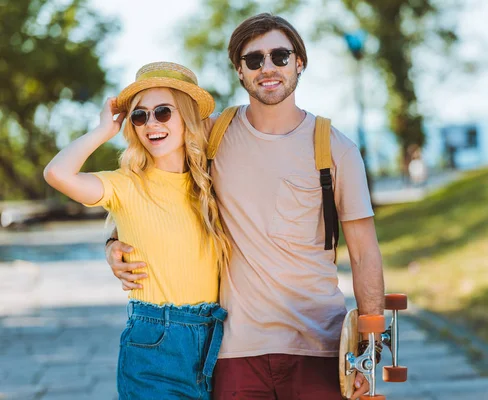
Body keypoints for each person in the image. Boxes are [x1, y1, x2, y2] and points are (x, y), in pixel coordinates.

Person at [107, 14, 385, 400]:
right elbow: (153, 183)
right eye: (254, 60)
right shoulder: (213, 134)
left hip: (319, 346)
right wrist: (113, 240)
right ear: (240, 70)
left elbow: (365, 252)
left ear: (299, 62)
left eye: (279, 56)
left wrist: (369, 352)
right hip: (235, 351)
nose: (267, 68)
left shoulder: (336, 148)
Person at [44, 62, 230, 399]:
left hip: (217, 341)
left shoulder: (212, 182)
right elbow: (57, 174)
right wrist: (103, 131)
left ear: (187, 117)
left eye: (162, 112)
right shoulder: (125, 185)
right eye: (140, 116)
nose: (151, 124)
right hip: (154, 342)